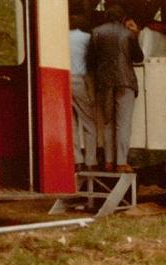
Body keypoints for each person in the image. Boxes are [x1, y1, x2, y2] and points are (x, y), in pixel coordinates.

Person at [87, 5, 143, 173]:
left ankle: (109, 161)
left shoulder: (95, 32)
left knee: (108, 122)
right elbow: (139, 57)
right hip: (125, 82)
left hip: (104, 83)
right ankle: (121, 162)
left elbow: (90, 61)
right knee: (123, 123)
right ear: (122, 19)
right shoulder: (127, 33)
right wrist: (136, 34)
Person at [68, 14, 96, 171]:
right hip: (80, 80)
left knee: (71, 122)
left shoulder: (62, 37)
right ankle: (91, 160)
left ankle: (76, 158)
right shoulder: (87, 38)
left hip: (64, 80)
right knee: (88, 121)